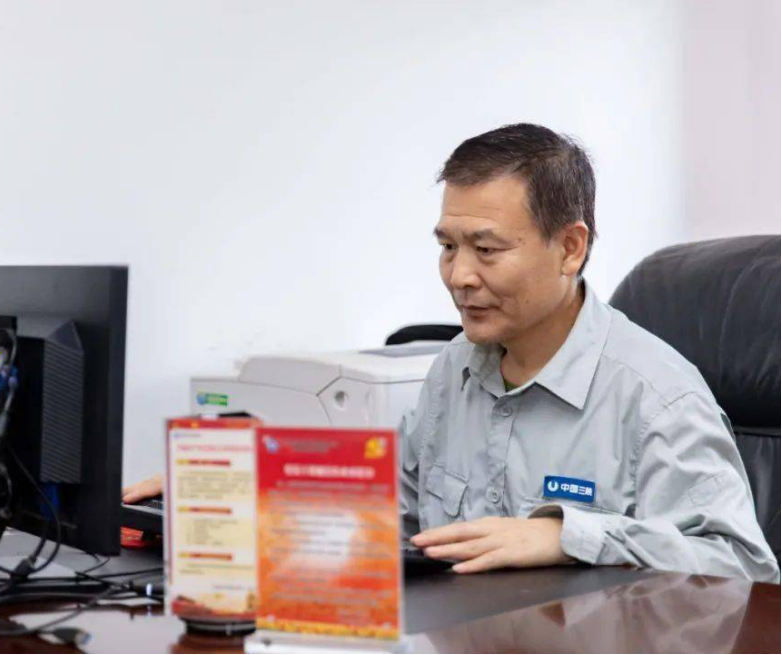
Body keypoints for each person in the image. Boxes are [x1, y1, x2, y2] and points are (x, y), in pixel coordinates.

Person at [125, 124, 779, 582]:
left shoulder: (656, 398)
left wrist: (568, 536)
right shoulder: (457, 366)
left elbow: (746, 569)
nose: (459, 276)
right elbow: (398, 510)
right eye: (447, 246)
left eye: (486, 249)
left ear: (570, 247)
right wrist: (245, 484)